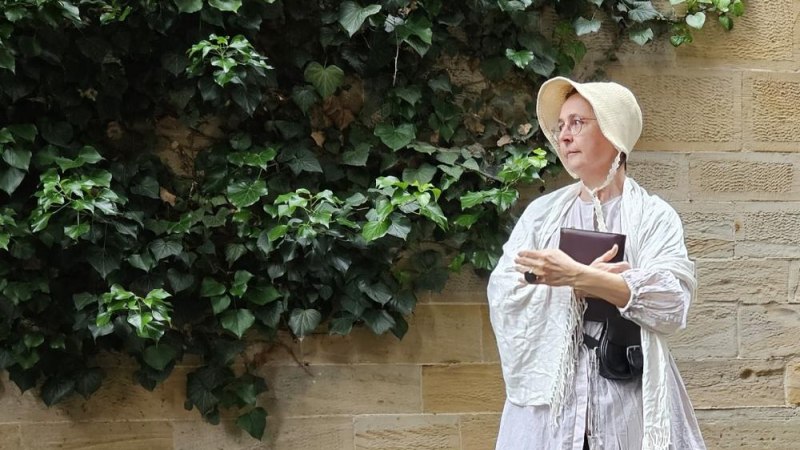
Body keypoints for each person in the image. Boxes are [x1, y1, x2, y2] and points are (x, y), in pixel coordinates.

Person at [487, 77, 705, 450]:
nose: (564, 136)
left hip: (627, 396)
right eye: (561, 127)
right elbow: (504, 291)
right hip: (552, 409)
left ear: (613, 130)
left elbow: (672, 304)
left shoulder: (653, 216)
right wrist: (576, 283)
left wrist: (578, 275)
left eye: (578, 123)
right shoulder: (542, 215)